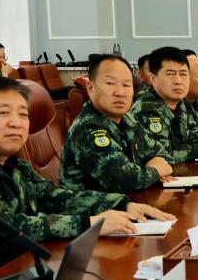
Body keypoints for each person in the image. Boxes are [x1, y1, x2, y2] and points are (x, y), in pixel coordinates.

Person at [0, 77, 171, 275]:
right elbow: (10, 228)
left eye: (23, 114)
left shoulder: (10, 163)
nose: (16, 122)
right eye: (3, 113)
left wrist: (121, 204)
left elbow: (54, 196)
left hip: (20, 274)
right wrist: (90, 223)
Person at [60, 55, 175, 193]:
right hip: (97, 205)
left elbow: (163, 152)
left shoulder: (127, 119)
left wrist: (152, 169)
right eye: (110, 83)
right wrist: (155, 171)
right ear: (90, 88)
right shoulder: (88, 128)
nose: (120, 93)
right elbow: (124, 179)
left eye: (126, 85)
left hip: (133, 200)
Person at [129, 47, 198, 163]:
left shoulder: (181, 104)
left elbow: (193, 135)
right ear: (153, 79)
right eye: (170, 74)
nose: (178, 81)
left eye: (183, 74)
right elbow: (162, 155)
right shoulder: (147, 108)